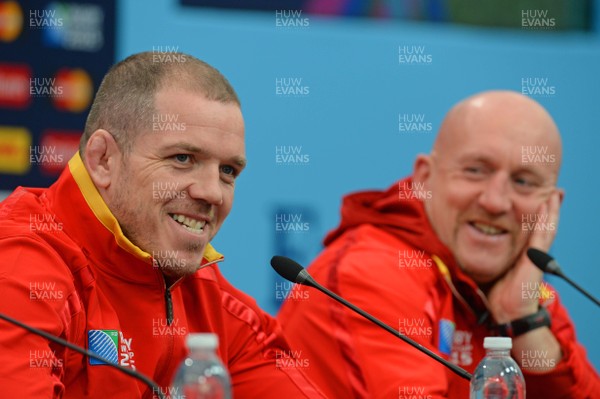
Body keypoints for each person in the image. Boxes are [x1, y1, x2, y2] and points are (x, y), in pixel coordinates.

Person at [0, 52, 326, 398]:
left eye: (227, 171)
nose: (212, 192)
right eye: (182, 159)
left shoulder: (214, 303)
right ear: (103, 159)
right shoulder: (18, 269)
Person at [277, 91, 600, 398]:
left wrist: (524, 322)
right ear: (424, 178)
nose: (495, 201)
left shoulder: (528, 291)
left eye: (523, 182)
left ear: (551, 205)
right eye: (475, 171)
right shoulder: (368, 273)